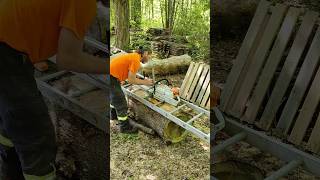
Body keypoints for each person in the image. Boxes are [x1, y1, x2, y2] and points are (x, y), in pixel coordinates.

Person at [0, 0, 107, 179]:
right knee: (36, 135)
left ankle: (11, 170)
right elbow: (68, 59)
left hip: (10, 44)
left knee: (11, 118)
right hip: (6, 50)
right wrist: (111, 66)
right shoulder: (83, 3)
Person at [109, 47, 153, 133]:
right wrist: (145, 82)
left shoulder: (133, 56)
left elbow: (128, 73)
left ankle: (113, 116)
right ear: (145, 53)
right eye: (149, 56)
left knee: (115, 98)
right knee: (121, 103)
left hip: (112, 76)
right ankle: (124, 128)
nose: (149, 59)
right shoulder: (136, 60)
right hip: (111, 77)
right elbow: (131, 80)